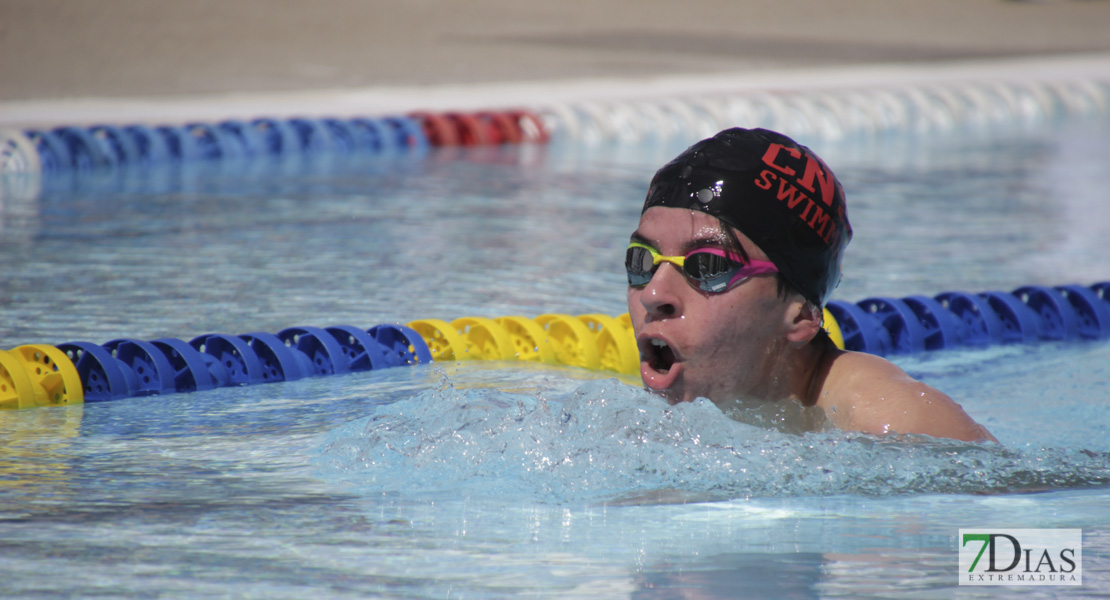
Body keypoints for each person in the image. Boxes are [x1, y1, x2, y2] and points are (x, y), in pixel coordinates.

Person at [626, 127, 995, 442]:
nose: (654, 295)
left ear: (800, 315)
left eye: (708, 265)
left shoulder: (897, 426)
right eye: (641, 260)